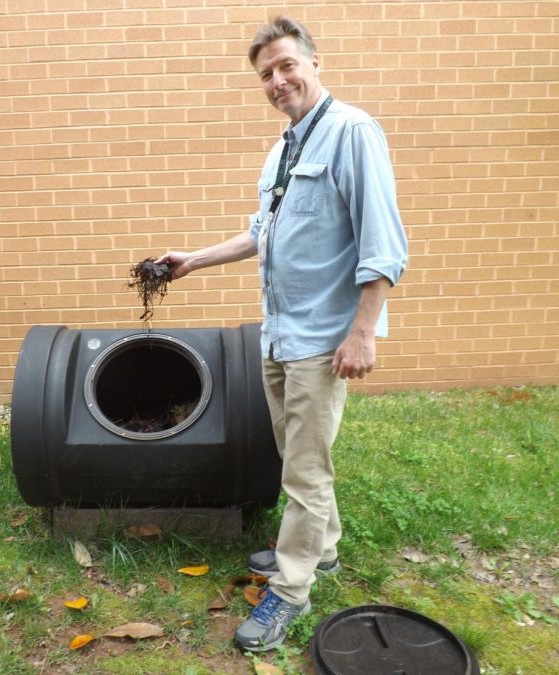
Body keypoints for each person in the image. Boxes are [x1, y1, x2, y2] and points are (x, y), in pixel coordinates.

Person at [156, 16, 408, 652]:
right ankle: (321, 551)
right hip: (281, 334)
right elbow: (261, 233)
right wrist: (193, 259)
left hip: (326, 339)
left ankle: (290, 591)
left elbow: (383, 244)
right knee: (301, 455)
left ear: (315, 62)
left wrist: (363, 334)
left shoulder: (352, 131)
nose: (277, 80)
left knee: (303, 469)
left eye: (286, 65)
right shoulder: (283, 147)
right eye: (265, 74)